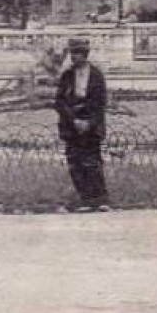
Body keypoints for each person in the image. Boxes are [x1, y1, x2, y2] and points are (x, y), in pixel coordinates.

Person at [53, 37, 110, 212]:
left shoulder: (96, 75)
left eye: (78, 54)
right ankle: (85, 199)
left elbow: (100, 103)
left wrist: (90, 123)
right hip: (72, 122)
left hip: (90, 122)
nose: (74, 57)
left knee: (92, 161)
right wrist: (74, 121)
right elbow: (59, 101)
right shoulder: (67, 75)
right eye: (72, 54)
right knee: (75, 162)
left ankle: (100, 199)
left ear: (85, 55)